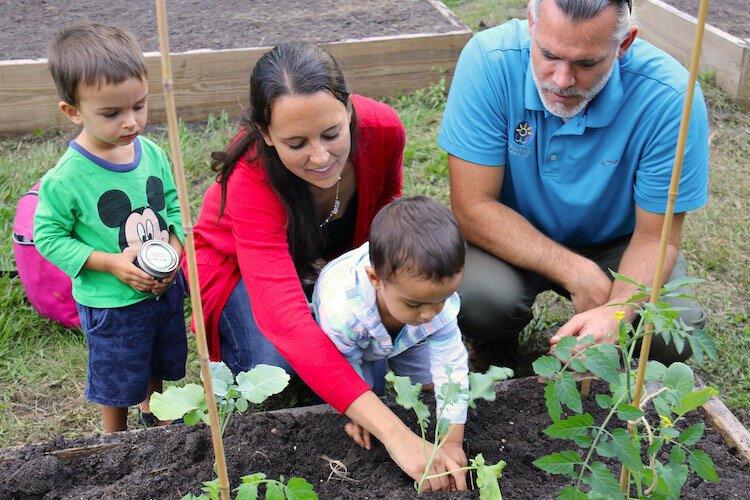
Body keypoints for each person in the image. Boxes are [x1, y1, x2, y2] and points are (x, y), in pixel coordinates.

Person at [190, 42, 466, 491]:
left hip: (319, 257)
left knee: (370, 341)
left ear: (349, 107)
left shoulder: (383, 130)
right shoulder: (251, 179)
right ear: (265, 132)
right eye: (296, 143)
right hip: (235, 265)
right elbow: (287, 323)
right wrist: (394, 433)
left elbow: (385, 214)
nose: (320, 157)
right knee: (279, 363)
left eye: (332, 134)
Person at [438, 0, 709, 368]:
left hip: (617, 242)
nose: (562, 81)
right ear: (532, 23)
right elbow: (473, 207)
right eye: (549, 55)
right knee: (478, 300)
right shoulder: (489, 60)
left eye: (586, 63)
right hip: (510, 232)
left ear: (624, 44)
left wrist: (618, 311)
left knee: (671, 334)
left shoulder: (671, 97)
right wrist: (575, 271)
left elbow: (654, 238)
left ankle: (609, 355)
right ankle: (496, 343)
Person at [34, 23, 187, 433]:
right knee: (117, 373)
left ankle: (154, 411)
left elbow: (173, 205)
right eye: (112, 113)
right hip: (112, 304)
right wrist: (110, 264)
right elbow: (47, 237)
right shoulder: (68, 178)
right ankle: (113, 438)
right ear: (72, 112)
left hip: (163, 289)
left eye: (139, 105)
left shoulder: (151, 153)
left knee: (159, 356)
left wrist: (174, 247)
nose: (130, 122)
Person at [313, 196, 469, 456]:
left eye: (441, 300)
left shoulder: (429, 305)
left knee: (426, 386)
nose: (430, 314)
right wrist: (360, 415)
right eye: (416, 303)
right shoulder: (343, 316)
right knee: (369, 395)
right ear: (375, 279)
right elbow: (344, 373)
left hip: (408, 334)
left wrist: (451, 441)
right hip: (352, 341)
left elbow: (450, 367)